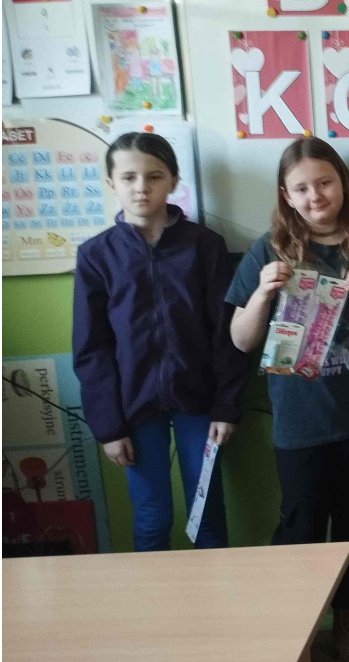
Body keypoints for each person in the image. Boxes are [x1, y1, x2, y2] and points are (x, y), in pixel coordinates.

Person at [226, 137, 349, 662]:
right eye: (301, 188)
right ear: (286, 195)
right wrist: (262, 292)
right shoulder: (267, 250)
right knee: (299, 532)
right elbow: (241, 339)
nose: (315, 195)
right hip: (300, 426)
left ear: (343, 184)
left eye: (324, 182)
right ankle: (293, 634)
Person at [73, 131, 249, 552]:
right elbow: (91, 349)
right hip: (134, 408)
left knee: (207, 517)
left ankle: (215, 597)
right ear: (111, 183)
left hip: (200, 403)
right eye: (128, 177)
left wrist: (227, 406)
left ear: (173, 180)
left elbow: (226, 332)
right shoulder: (96, 255)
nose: (141, 187)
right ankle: (153, 598)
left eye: (154, 176)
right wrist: (108, 427)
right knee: (152, 519)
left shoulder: (204, 246)